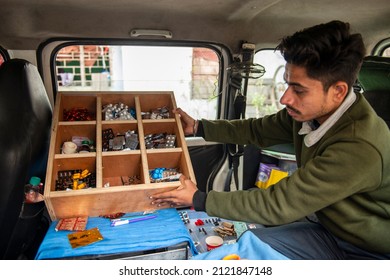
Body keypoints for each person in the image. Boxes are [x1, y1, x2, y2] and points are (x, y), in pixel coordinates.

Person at [150, 20, 390, 259]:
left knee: (247, 257)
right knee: (250, 243)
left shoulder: (358, 146)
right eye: (287, 84)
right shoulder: (310, 113)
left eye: (299, 90)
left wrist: (198, 198)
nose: (286, 98)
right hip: (329, 228)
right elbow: (257, 130)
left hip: (366, 250)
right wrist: (200, 127)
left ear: (338, 91)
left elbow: (280, 203)